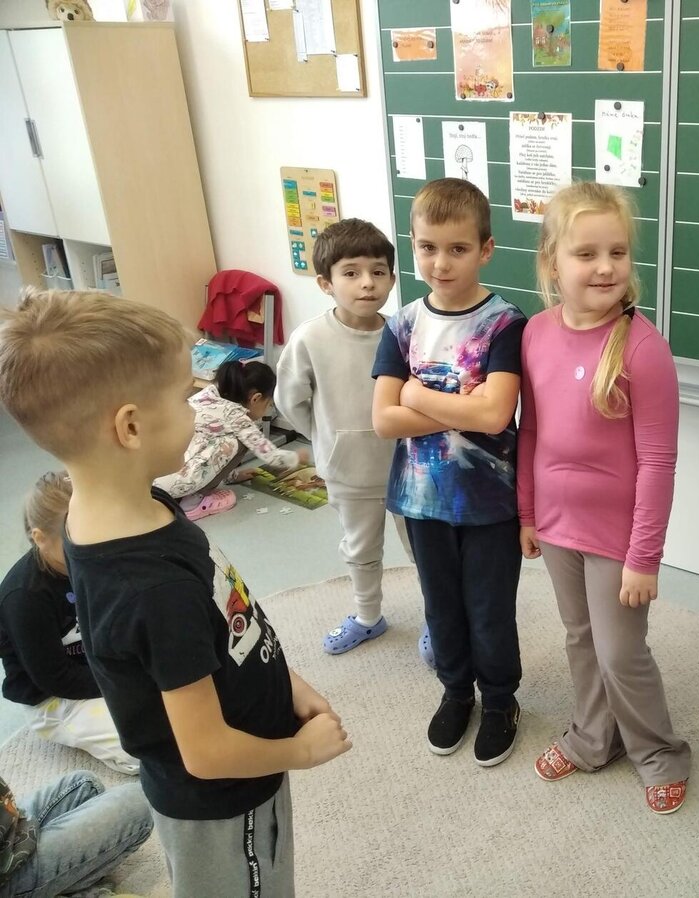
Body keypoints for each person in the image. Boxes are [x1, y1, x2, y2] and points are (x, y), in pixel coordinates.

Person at [0, 289, 352, 898]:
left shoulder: (130, 503)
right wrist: (299, 751)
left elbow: (224, 611)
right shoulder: (150, 590)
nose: (201, 405)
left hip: (245, 750)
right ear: (131, 426)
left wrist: (286, 683)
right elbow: (207, 753)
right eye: (187, 395)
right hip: (226, 800)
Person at [519, 181, 692, 815]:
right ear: (551, 262)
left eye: (617, 252)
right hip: (556, 523)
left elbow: (658, 462)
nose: (604, 267)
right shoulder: (535, 333)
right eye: (586, 253)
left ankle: (660, 751)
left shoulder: (644, 348)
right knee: (580, 638)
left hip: (618, 536)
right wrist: (527, 513)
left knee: (620, 650)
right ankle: (594, 738)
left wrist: (645, 557)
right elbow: (530, 432)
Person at [372, 178, 526, 767]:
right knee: (441, 607)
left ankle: (501, 700)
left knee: (490, 610)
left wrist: (417, 393)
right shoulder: (402, 325)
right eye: (428, 247)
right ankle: (456, 692)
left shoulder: (505, 323)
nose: (441, 262)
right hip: (421, 500)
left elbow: (494, 416)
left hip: (490, 501)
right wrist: (455, 404)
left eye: (458, 249)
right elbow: (384, 421)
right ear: (412, 245)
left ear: (485, 249)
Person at [274, 218, 430, 661]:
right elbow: (290, 401)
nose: (367, 283)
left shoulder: (404, 332)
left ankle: (437, 619)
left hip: (408, 469)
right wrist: (329, 438)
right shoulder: (310, 338)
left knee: (424, 551)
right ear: (326, 283)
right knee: (360, 549)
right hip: (349, 471)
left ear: (392, 279)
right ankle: (367, 616)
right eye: (351, 272)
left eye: (378, 272)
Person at [0, 472, 138, 775]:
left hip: (104, 665)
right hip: (55, 699)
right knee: (150, 745)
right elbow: (56, 679)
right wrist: (128, 683)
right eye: (74, 538)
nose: (89, 545)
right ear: (40, 538)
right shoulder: (24, 596)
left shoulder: (92, 557)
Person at [154, 359, 306, 521]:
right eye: (269, 404)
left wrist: (232, 475)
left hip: (154, 478)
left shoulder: (207, 395)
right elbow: (270, 455)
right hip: (178, 484)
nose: (268, 410)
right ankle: (193, 503)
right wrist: (296, 458)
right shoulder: (236, 417)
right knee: (237, 442)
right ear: (255, 398)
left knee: (219, 440)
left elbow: (202, 448)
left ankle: (188, 494)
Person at [0, 769, 152, 898]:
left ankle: (67, 881)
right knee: (141, 801)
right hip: (6, 876)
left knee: (86, 784)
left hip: (10, 823)